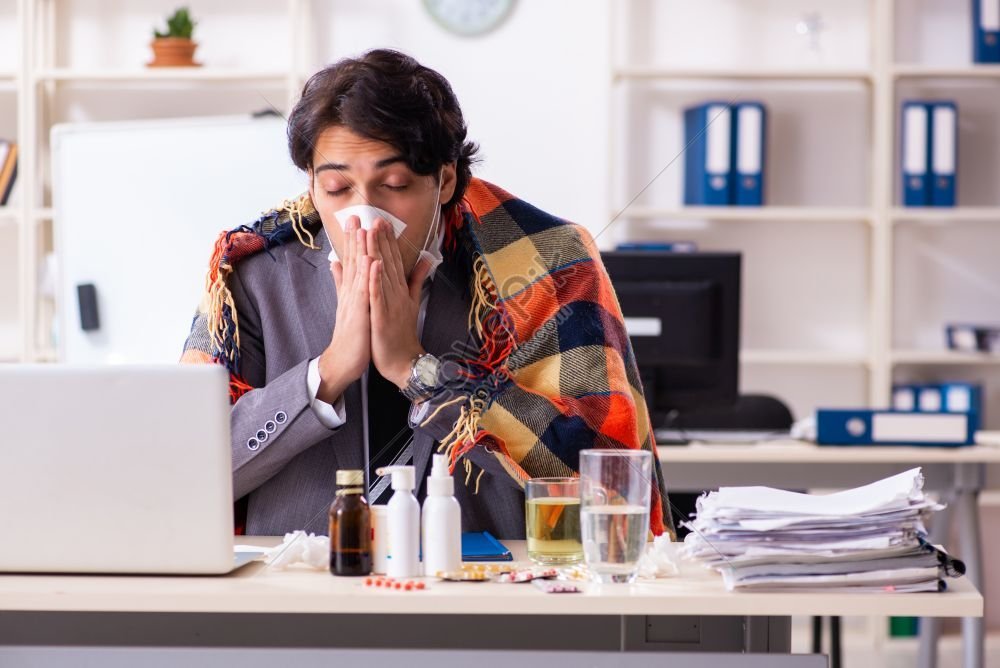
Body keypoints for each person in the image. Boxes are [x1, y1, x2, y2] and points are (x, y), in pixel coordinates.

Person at [181, 48, 674, 539]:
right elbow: (186, 475)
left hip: (489, 591)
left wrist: (420, 372)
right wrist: (325, 376)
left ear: (445, 179)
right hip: (295, 594)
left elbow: (603, 482)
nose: (364, 214)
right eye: (336, 188)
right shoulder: (252, 273)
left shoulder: (545, 261)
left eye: (393, 183)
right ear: (311, 185)